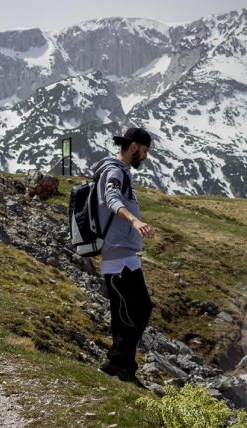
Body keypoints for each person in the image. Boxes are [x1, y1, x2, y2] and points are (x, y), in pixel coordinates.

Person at [92, 127, 155, 384]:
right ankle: (116, 362)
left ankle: (125, 368)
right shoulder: (115, 171)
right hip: (119, 259)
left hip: (122, 256)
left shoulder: (122, 171)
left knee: (125, 313)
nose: (146, 157)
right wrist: (134, 221)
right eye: (145, 150)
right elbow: (111, 198)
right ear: (134, 147)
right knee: (139, 310)